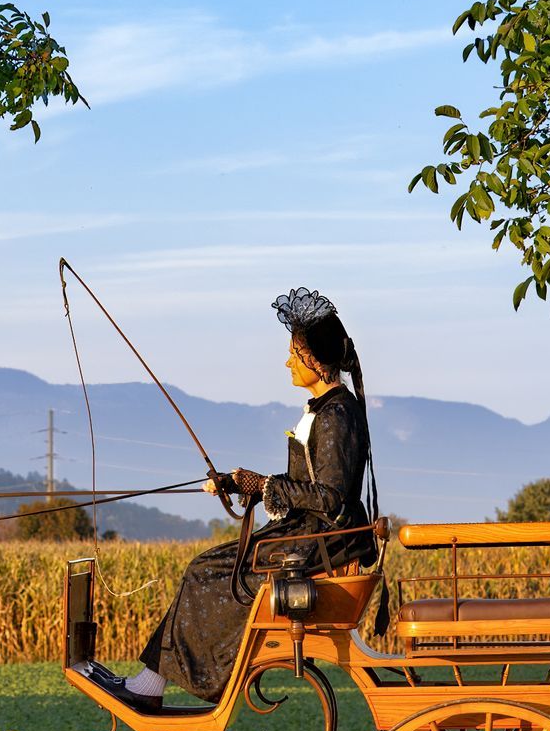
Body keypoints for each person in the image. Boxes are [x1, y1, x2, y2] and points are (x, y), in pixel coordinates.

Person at [117, 288, 381, 707]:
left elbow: (329, 498)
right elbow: (311, 486)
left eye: (294, 352)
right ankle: (153, 681)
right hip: (307, 536)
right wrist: (240, 482)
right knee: (206, 568)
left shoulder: (336, 415)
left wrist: (264, 486)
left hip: (320, 545)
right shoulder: (326, 409)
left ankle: (152, 686)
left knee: (206, 571)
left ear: (315, 358)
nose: (287, 361)